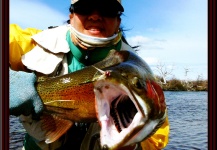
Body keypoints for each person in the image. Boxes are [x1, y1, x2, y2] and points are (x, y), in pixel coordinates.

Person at [9, 0, 169, 149]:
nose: (95, 16)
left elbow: (156, 140)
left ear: (118, 22)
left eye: (107, 9)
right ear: (71, 16)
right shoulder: (32, 43)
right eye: (85, 8)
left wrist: (132, 141)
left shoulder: (138, 73)